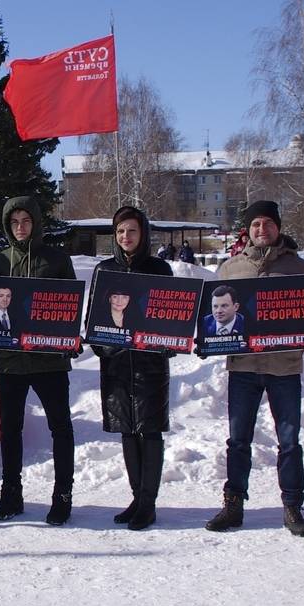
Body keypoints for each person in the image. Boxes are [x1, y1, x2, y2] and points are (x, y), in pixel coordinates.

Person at [204, 201, 304, 537]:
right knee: (238, 440)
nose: (262, 230)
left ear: (278, 227)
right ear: (248, 229)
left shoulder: (298, 267)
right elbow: (214, 316)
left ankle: (292, 506)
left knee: (289, 440)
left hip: (284, 367)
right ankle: (233, 505)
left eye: (268, 224)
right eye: (256, 224)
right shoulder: (230, 269)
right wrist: (209, 340)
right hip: (243, 367)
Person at [0, 196, 78, 525]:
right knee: (10, 429)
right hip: (10, 361)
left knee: (60, 428)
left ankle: (62, 494)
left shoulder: (55, 259)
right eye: (14, 222)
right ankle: (11, 492)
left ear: (36, 223)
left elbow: (69, 305)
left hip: (49, 361)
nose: (20, 227)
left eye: (26, 221)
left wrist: (68, 338)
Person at [91, 206, 173, 530]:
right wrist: (102, 345)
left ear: (144, 234)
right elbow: (94, 322)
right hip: (117, 366)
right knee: (127, 430)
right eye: (121, 231)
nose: (126, 237)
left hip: (150, 366)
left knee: (149, 431)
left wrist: (169, 342)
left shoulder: (159, 269)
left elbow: (172, 318)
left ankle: (148, 504)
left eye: (132, 231)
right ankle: (137, 497)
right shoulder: (103, 270)